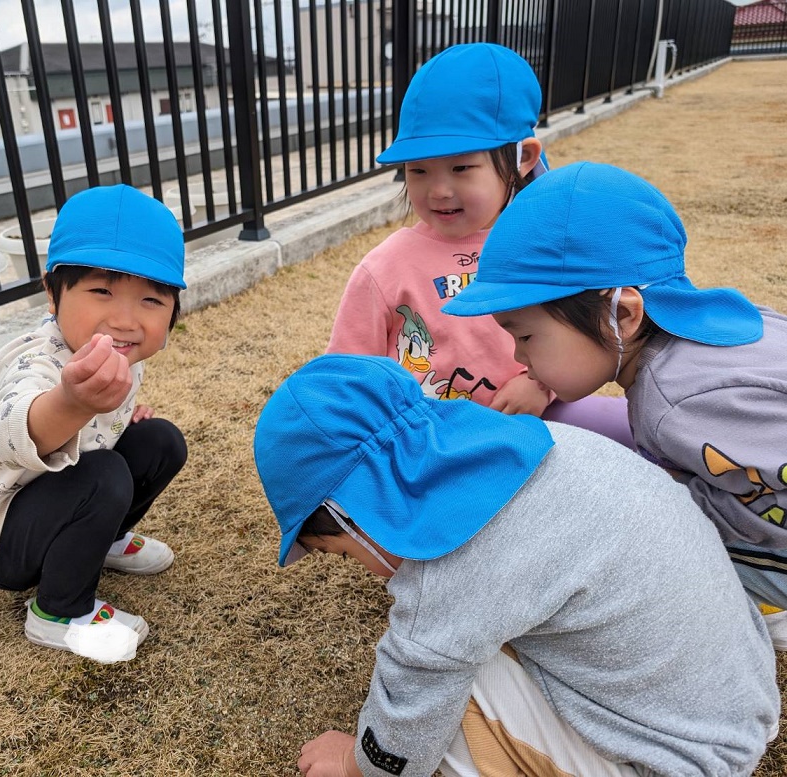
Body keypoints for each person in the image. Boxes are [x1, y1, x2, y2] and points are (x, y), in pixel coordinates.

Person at [252, 353, 778, 777]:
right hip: (737, 703)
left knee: (449, 709)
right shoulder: (556, 446)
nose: (360, 569)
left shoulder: (448, 579)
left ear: (352, 517)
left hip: (677, 759)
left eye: (342, 552)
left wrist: (358, 761)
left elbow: (410, 717)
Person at [443, 160, 787, 643]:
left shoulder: (678, 401)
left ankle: (757, 604)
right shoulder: (728, 326)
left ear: (621, 314)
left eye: (525, 336)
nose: (518, 356)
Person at [326, 43, 632, 447]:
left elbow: (584, 337)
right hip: (429, 441)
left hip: (533, 418)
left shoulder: (548, 247)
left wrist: (540, 386)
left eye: (461, 167)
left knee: (642, 430)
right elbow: (347, 376)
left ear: (524, 157)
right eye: (418, 170)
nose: (438, 190)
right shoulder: (385, 267)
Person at [0, 184, 188, 664]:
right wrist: (71, 403)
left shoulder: (118, 353)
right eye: (102, 291)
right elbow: (14, 433)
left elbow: (100, 431)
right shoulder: (34, 362)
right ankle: (58, 611)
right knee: (105, 474)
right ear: (52, 294)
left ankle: (102, 541)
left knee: (160, 441)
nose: (125, 319)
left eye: (152, 300)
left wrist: (117, 418)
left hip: (48, 500)